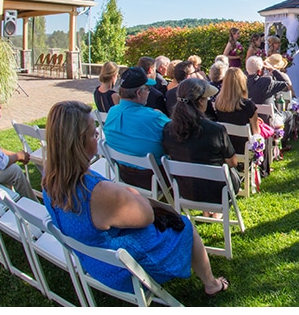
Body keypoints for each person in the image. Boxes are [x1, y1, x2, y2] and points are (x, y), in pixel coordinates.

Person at [41, 100, 228, 297]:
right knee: (183, 224)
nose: (97, 137)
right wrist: (132, 193)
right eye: (94, 134)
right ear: (79, 143)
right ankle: (211, 283)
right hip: (119, 269)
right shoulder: (96, 193)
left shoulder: (49, 177)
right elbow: (147, 216)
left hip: (92, 258)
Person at [161, 78, 239, 199]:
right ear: (201, 102)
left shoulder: (168, 129)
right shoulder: (216, 130)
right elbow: (233, 162)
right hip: (219, 191)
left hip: (185, 190)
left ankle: (210, 211)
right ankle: (216, 212)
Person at [103, 66, 170, 160]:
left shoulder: (112, 111)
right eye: (148, 89)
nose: (149, 92)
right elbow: (180, 132)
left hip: (121, 171)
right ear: (139, 93)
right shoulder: (154, 117)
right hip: (155, 172)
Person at [214, 68, 260, 156]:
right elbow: (256, 132)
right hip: (244, 148)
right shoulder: (248, 105)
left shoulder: (218, 103)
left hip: (225, 146)